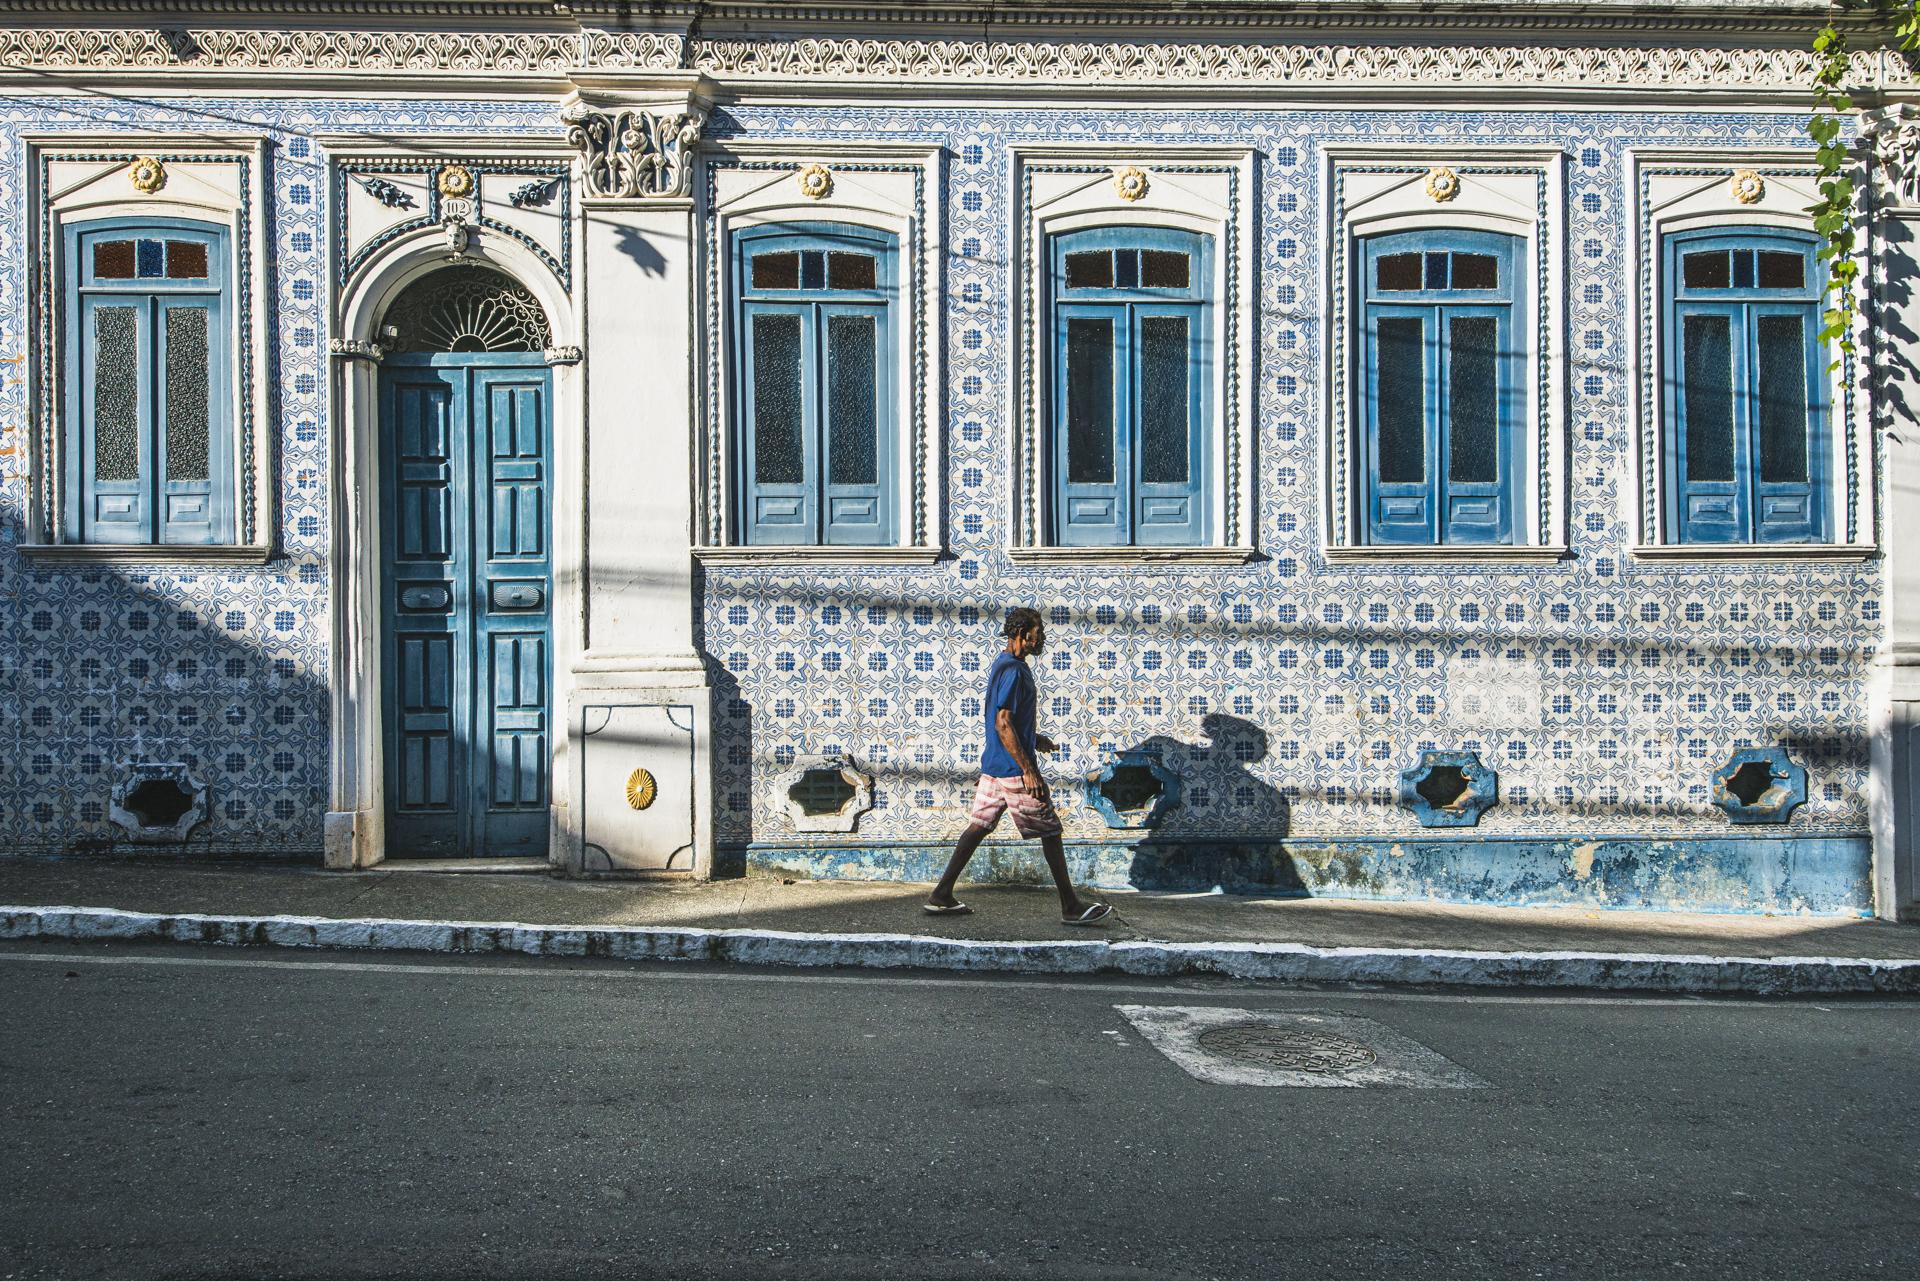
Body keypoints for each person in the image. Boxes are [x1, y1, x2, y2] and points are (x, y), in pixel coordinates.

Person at [924, 606, 1114, 926]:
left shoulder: (1005, 665)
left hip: (995, 765)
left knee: (979, 826)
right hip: (1012, 770)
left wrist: (1034, 738)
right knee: (1051, 831)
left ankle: (942, 894)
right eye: (1038, 632)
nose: (1041, 639)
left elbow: (1009, 721)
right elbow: (1003, 723)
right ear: (1023, 633)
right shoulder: (1012, 670)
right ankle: (1070, 906)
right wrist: (1029, 770)